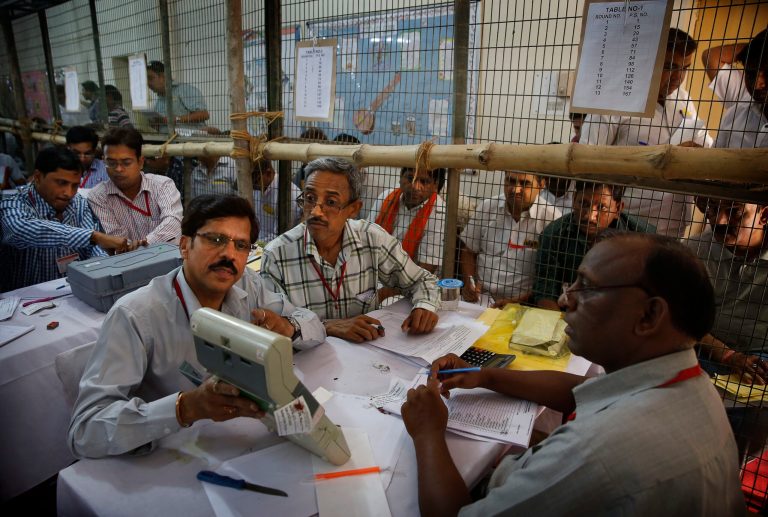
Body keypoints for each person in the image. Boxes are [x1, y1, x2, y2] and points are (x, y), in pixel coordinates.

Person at [401, 233, 745, 516]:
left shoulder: (597, 450)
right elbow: (582, 389)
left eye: (588, 287)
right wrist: (485, 376)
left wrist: (428, 432)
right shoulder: (684, 380)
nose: (565, 300)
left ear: (649, 315)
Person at [68, 194, 325, 459]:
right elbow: (85, 431)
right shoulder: (136, 315)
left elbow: (313, 324)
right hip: (169, 458)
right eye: (215, 239)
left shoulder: (247, 284)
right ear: (184, 246)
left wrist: (288, 327)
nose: (229, 254)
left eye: (241, 245)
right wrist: (185, 408)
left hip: (243, 444)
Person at [261, 157, 440, 343]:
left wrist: (424, 306)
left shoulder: (372, 239)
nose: (315, 211)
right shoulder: (276, 256)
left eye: (331, 202)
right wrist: (327, 327)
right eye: (310, 198)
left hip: (367, 357)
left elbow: (423, 280)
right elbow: (273, 328)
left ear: (353, 209)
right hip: (305, 365)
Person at [580, 28, 704, 237]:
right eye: (669, 67)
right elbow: (586, 161)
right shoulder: (615, 100)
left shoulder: (684, 98)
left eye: (685, 68)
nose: (678, 77)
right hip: (628, 225)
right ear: (648, 61)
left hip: (674, 224)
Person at [0, 147, 130, 291]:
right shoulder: (13, 204)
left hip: (73, 292)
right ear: (37, 177)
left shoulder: (78, 203)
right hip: (24, 301)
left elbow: (92, 249)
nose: (68, 193)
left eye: (75, 185)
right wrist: (94, 236)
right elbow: (21, 230)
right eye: (61, 183)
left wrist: (104, 269)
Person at [533, 181, 655, 310]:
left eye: (601, 207)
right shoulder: (554, 233)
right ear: (574, 200)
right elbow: (545, 289)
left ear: (618, 208)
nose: (589, 216)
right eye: (583, 204)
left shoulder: (643, 239)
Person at [687, 194, 768, 383]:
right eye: (712, 209)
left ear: (764, 216)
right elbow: (683, 318)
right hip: (706, 352)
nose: (720, 221)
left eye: (735, 212)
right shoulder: (693, 252)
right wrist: (728, 355)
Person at [460, 171, 561, 305]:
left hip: (524, 304)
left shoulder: (551, 218)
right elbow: (469, 251)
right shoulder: (488, 207)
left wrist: (516, 301)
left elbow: (551, 279)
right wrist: (469, 282)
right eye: (511, 181)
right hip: (480, 299)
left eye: (525, 183)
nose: (515, 189)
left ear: (541, 185)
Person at [88, 127, 183, 248]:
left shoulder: (163, 185)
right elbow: (115, 239)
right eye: (111, 163)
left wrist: (143, 244)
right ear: (103, 161)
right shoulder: (97, 196)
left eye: (126, 163)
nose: (118, 169)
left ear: (141, 162)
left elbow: (172, 222)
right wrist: (137, 247)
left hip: (167, 258)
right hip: (126, 263)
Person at [368, 166, 448, 273]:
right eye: (411, 179)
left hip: (412, 280)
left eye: (424, 182)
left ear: (435, 185)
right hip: (376, 271)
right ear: (401, 176)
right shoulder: (386, 197)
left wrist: (395, 288)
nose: (416, 187)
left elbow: (427, 267)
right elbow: (366, 239)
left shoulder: (439, 213)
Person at [703, 29, 768, 149]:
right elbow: (714, 159)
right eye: (751, 74)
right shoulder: (736, 113)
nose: (757, 84)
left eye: (767, 74)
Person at [146, 60, 209, 131]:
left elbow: (204, 115)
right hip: (167, 139)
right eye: (146, 80)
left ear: (162, 77)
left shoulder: (183, 90)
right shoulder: (159, 100)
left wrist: (176, 119)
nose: (148, 83)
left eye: (150, 78)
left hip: (188, 139)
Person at [251, 157, 302, 243]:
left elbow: (281, 235)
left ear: (268, 173)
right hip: (259, 241)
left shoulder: (288, 194)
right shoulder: (257, 188)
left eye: (256, 181)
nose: (252, 186)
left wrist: (256, 246)